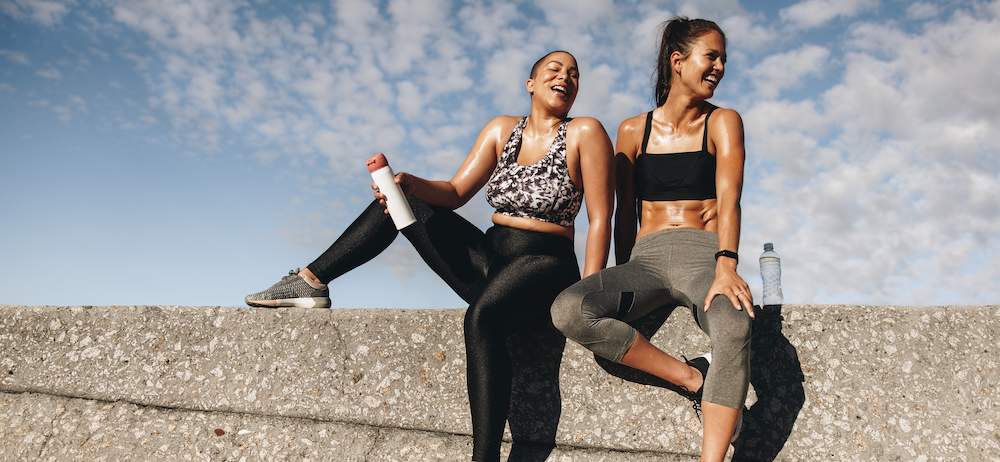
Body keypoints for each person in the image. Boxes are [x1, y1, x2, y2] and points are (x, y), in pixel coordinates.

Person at [245, 50, 614, 462]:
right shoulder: (501, 130)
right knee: (399, 202)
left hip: (545, 264)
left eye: (574, 74)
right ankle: (311, 281)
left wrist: (587, 294)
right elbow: (455, 192)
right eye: (554, 69)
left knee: (481, 317)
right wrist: (409, 184)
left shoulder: (585, 132)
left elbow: (600, 218)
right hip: (493, 259)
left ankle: (484, 457)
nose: (566, 77)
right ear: (530, 83)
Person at [549, 18, 752, 461]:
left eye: (723, 60)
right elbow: (623, 214)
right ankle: (692, 379)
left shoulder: (723, 123)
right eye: (711, 56)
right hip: (646, 260)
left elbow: (730, 199)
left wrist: (727, 264)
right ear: (678, 61)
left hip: (705, 255)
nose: (719, 67)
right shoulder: (631, 131)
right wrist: (624, 277)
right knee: (569, 308)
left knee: (734, 324)